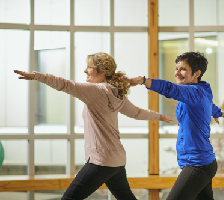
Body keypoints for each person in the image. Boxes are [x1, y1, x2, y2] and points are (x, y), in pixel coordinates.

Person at [14, 52, 173, 200]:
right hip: (116, 160)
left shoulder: (97, 90)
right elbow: (137, 113)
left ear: (102, 71)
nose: (85, 70)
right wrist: (159, 116)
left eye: (89, 67)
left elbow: (65, 85)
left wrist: (37, 76)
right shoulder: (117, 93)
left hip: (102, 160)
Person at [123, 51, 224, 200]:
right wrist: (218, 112)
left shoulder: (194, 92)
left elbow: (169, 89)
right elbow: (209, 104)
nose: (177, 73)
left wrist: (143, 80)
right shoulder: (199, 92)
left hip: (198, 164)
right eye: (176, 69)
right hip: (202, 162)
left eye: (183, 69)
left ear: (197, 73)